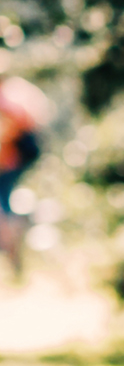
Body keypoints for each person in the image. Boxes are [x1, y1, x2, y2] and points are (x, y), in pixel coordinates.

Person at [0, 76, 48, 287]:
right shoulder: (15, 90)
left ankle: (11, 250)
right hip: (19, 155)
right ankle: (13, 255)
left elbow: (11, 128)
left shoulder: (7, 98)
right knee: (5, 203)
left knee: (3, 205)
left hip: (14, 157)